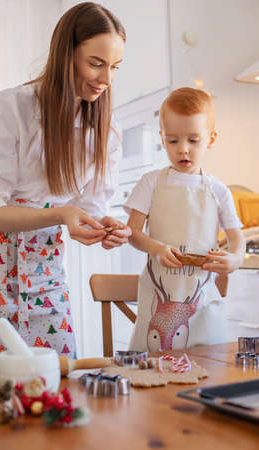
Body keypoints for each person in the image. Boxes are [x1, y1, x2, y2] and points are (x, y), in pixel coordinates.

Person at [0, 2, 131, 358]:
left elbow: (88, 210)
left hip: (44, 274)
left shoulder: (106, 130)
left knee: (56, 379)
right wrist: (61, 215)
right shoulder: (12, 108)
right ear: (65, 53)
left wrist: (106, 228)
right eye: (95, 63)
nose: (106, 79)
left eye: (115, 67)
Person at [124, 87, 245, 352]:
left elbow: (238, 238)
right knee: (154, 369)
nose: (183, 150)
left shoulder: (218, 189)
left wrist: (234, 259)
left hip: (202, 304)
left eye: (193, 140)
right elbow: (132, 232)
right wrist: (157, 248)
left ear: (211, 139)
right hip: (158, 298)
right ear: (162, 139)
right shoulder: (151, 183)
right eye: (173, 140)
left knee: (208, 367)